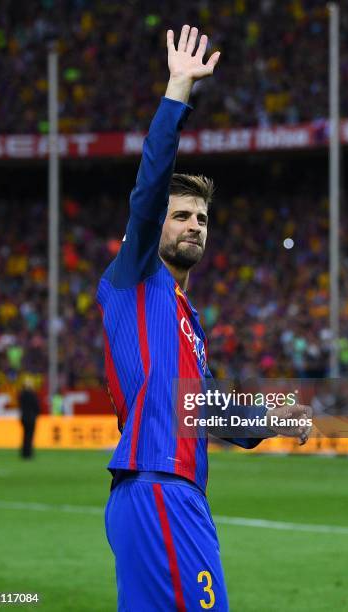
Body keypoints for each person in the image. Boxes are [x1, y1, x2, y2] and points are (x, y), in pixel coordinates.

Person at [98, 25, 311, 611]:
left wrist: (275, 417)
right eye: (182, 215)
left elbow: (207, 407)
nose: (195, 225)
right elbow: (147, 190)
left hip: (165, 492)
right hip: (160, 487)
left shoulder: (186, 317)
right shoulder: (133, 279)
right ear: (151, 229)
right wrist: (178, 92)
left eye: (202, 219)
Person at [18, 376, 40, 459]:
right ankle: (29, 453)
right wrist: (36, 414)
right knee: (30, 436)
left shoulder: (22, 394)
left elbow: (21, 405)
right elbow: (36, 407)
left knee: (24, 435)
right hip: (31, 417)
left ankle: (24, 452)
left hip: (23, 417)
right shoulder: (32, 395)